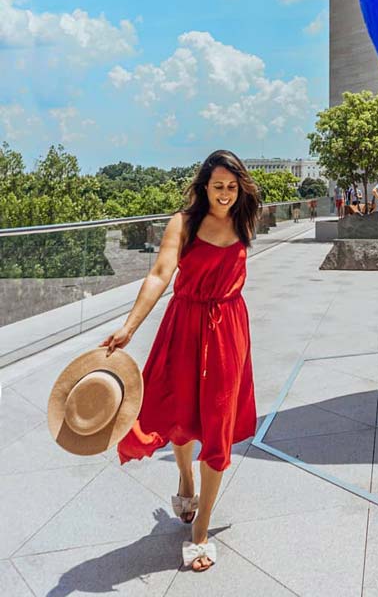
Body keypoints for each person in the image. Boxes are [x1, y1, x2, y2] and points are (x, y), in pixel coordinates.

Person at [105, 149, 260, 573]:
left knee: (218, 422)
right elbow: (159, 274)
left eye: (231, 187)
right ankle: (186, 479)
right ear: (203, 187)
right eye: (218, 187)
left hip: (228, 328)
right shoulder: (184, 223)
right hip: (185, 323)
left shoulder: (245, 219)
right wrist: (130, 327)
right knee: (180, 411)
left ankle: (200, 532)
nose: (225, 195)